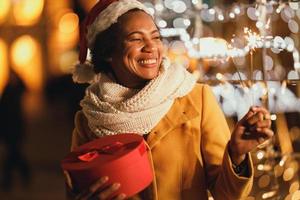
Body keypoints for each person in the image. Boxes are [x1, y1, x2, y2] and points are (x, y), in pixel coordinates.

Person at [65, 0, 273, 199]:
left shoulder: (196, 98)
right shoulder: (89, 120)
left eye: (155, 37)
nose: (151, 47)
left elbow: (227, 195)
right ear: (108, 52)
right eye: (136, 39)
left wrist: (236, 156)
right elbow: (77, 189)